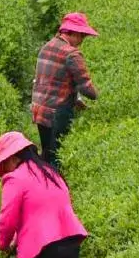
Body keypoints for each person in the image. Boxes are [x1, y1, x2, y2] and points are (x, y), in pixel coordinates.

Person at [31, 12, 99, 165]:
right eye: (81, 36)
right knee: (57, 157)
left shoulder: (46, 47)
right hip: (57, 112)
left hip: (39, 109)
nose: (81, 41)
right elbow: (86, 88)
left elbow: (53, 81)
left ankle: (43, 183)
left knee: (47, 153)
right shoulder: (72, 54)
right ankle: (56, 186)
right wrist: (99, 96)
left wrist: (76, 100)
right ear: (72, 32)